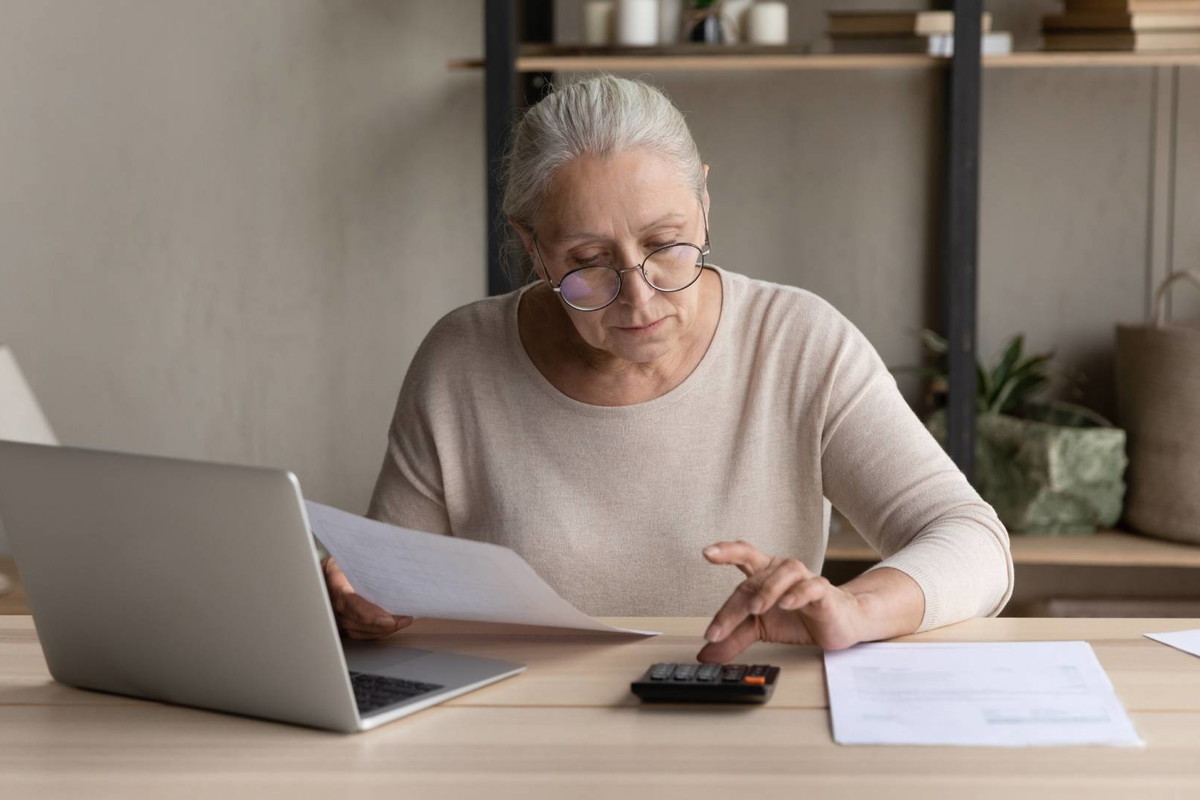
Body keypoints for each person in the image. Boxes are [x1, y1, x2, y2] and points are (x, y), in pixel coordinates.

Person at [323, 75, 1013, 663]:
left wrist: (856, 609)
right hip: (526, 736)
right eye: (588, 263)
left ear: (704, 206)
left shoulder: (798, 344)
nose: (640, 295)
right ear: (534, 250)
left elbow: (973, 542)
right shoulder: (461, 360)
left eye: (667, 244)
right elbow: (388, 592)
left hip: (744, 722)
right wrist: (358, 608)